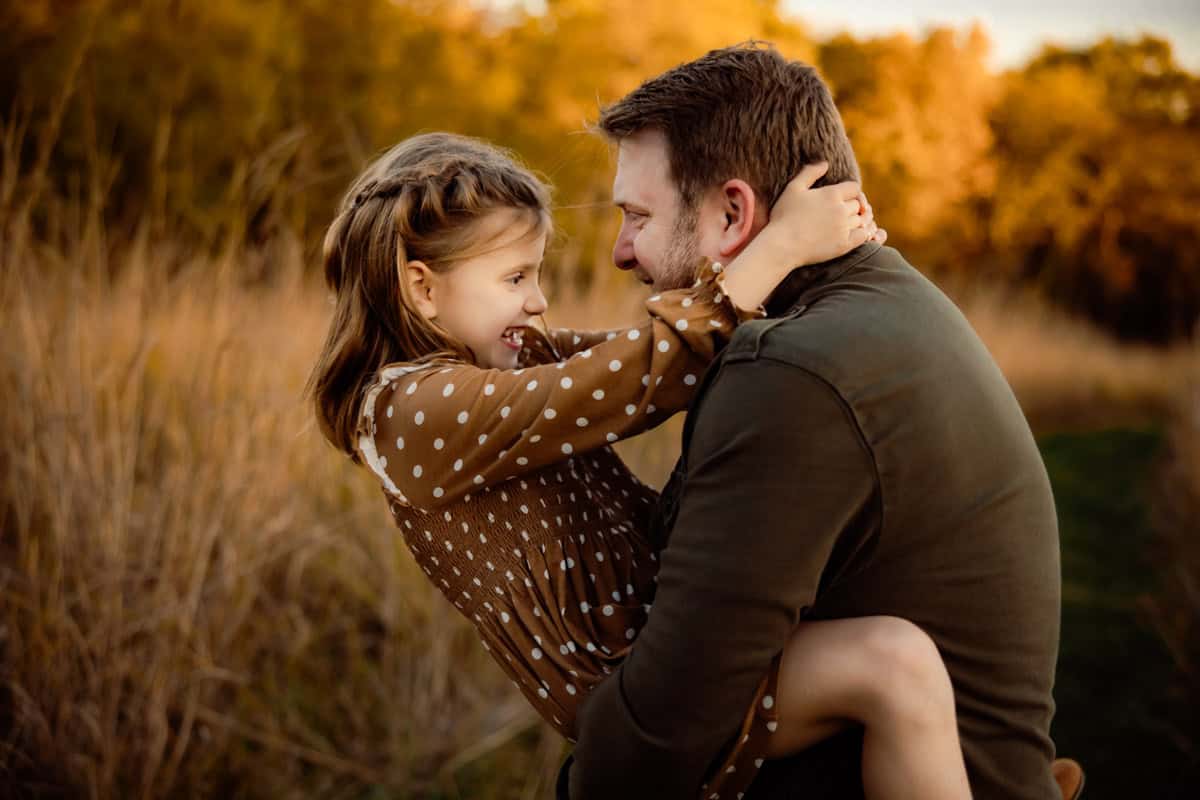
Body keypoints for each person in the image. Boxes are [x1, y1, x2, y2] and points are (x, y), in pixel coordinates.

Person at [305, 131, 976, 800]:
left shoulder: (511, 359)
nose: (537, 301)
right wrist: (779, 249)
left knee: (876, 592)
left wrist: (803, 281)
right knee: (896, 666)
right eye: (515, 278)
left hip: (671, 630)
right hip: (642, 688)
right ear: (422, 290)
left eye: (535, 274)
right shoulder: (407, 415)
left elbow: (646, 354)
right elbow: (643, 373)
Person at [559, 42, 1065, 800]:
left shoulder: (796, 369)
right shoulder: (882, 307)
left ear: (734, 213)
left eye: (637, 216)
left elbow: (661, 737)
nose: (620, 251)